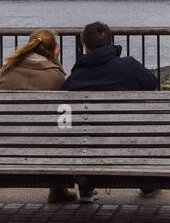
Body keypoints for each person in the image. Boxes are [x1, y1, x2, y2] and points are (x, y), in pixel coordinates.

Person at [64, 21, 159, 200]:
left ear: (85, 47)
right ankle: (147, 183)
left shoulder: (77, 76)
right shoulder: (129, 66)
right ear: (110, 43)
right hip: (131, 144)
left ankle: (86, 186)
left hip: (89, 151)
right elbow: (152, 83)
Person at [0, 30, 74, 203]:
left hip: (7, 143)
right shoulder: (57, 76)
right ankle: (58, 189)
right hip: (47, 147)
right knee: (63, 132)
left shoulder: (6, 72)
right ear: (55, 50)